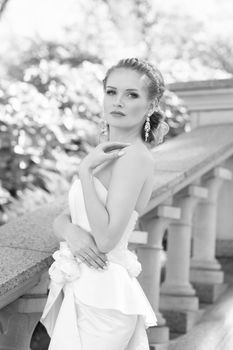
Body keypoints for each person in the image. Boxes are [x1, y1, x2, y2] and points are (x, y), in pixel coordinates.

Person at [40, 57, 169, 350]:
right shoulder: (106, 153)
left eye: (131, 94)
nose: (118, 102)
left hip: (104, 297)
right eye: (111, 92)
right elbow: (64, 217)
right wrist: (71, 232)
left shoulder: (134, 157)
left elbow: (106, 239)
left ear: (150, 106)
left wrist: (85, 173)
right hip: (84, 288)